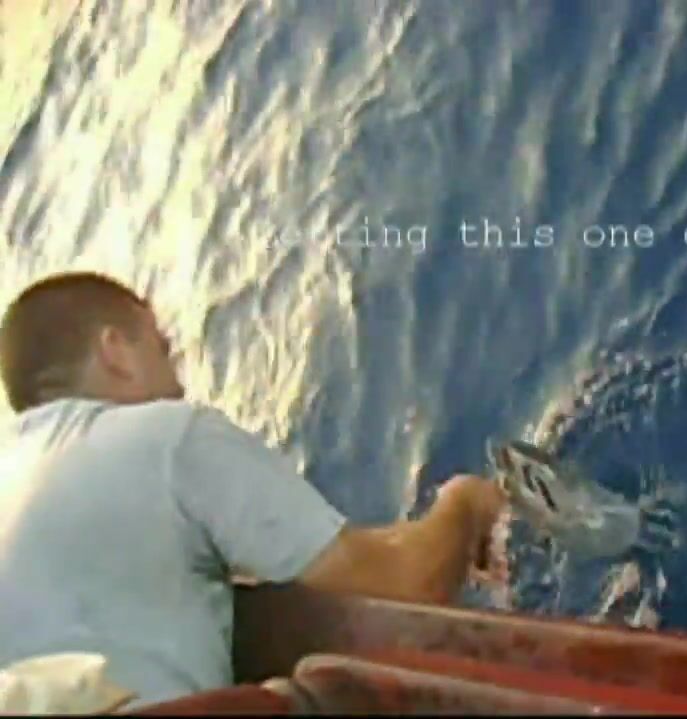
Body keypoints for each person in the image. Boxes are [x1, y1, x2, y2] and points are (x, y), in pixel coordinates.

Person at [0, 271, 506, 707]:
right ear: (116, 352)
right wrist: (463, 504)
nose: (178, 385)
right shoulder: (167, 436)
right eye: (162, 350)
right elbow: (407, 584)